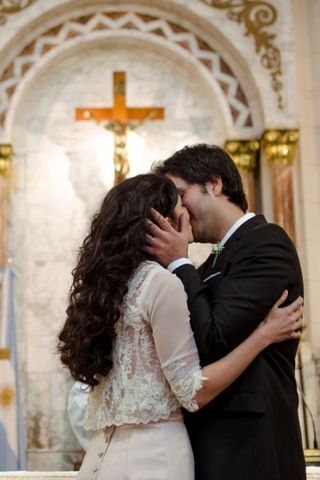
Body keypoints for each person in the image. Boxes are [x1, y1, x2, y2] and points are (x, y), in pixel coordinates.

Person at [57, 173, 303, 480]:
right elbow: (193, 391)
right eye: (178, 207)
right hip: (155, 457)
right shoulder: (162, 283)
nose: (185, 215)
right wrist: (263, 336)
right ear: (163, 224)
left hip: (106, 454)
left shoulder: (110, 289)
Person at [145, 143, 305, 480]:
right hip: (214, 442)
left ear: (214, 184)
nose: (178, 211)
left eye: (180, 193)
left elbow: (213, 339)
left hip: (250, 445)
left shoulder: (266, 243)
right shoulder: (209, 263)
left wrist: (178, 261)